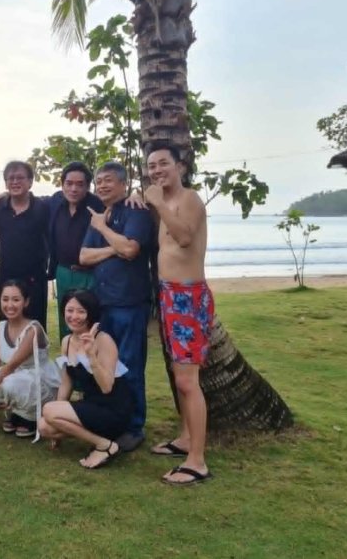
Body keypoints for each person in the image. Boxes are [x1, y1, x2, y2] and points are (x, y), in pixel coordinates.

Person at [144, 142, 215, 486]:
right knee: (179, 374)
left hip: (188, 295)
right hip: (171, 295)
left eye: (163, 164)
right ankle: (186, 438)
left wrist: (157, 202)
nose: (156, 171)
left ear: (180, 166)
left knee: (188, 381)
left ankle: (197, 461)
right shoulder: (165, 201)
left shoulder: (188, 199)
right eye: (151, 166)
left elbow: (185, 237)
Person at [79, 161, 153, 453]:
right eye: (99, 181)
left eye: (108, 180)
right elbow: (84, 256)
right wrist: (114, 245)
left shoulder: (136, 211)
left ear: (124, 184)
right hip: (103, 304)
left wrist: (104, 232)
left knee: (131, 366)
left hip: (130, 303)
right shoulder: (101, 215)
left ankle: (134, 427)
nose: (102, 186)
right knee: (103, 364)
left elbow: (132, 249)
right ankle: (111, 420)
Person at [38, 290, 134, 469]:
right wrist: (58, 411)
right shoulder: (66, 341)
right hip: (91, 405)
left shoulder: (103, 340)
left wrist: (92, 356)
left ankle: (104, 446)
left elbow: (107, 387)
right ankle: (101, 441)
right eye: (70, 310)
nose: (74, 316)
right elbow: (67, 382)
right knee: (45, 426)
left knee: (48, 410)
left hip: (113, 408)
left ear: (91, 313)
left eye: (81, 311)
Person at [0, 280, 60, 438]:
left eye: (16, 300)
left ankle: (33, 416)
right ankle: (17, 412)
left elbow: (11, 366)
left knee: (8, 383)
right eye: (5, 299)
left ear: (26, 302)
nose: (10, 305)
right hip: (18, 378)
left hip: (40, 381)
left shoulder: (33, 329)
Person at [45, 162, 104, 338]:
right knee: (67, 321)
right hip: (63, 271)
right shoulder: (56, 201)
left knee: (90, 321)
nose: (73, 189)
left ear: (88, 186)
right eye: (69, 183)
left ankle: (92, 362)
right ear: (62, 184)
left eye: (80, 184)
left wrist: (136, 197)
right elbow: (31, 199)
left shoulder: (98, 205)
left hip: (90, 273)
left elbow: (120, 204)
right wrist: (3, 195)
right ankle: (68, 362)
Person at [0, 161, 50, 329]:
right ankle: (6, 356)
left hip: (34, 277)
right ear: (5, 183)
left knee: (35, 325)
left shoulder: (43, 207)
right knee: (4, 324)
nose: (15, 182)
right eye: (11, 178)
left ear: (30, 182)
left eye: (20, 178)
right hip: (5, 274)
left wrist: (133, 195)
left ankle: (34, 355)